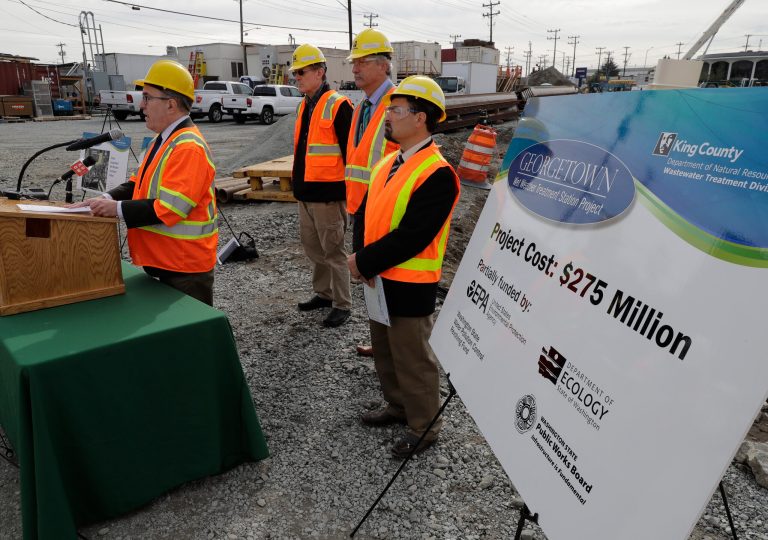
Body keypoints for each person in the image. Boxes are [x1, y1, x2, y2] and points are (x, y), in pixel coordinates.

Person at [347, 76, 460, 458]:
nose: (388, 117)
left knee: (413, 359)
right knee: (385, 350)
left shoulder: (438, 174)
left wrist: (362, 260)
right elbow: (364, 214)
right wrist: (362, 260)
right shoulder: (386, 164)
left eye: (396, 110)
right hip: (378, 277)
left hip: (410, 285)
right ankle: (398, 407)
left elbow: (413, 235)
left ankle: (424, 427)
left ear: (421, 118)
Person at [69, 59, 218, 305]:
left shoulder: (188, 147)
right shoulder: (164, 140)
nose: (142, 105)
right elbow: (136, 184)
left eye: (148, 97)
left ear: (171, 104)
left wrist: (115, 210)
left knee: (189, 338)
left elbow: (171, 208)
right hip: (166, 261)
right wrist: (105, 198)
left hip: (184, 266)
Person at [345, 28, 400, 356]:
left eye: (362, 62)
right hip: (360, 206)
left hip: (383, 208)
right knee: (369, 277)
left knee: (386, 276)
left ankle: (393, 344)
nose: (354, 69)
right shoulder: (362, 107)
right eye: (354, 62)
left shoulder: (396, 106)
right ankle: (381, 342)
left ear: (383, 65)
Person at [291, 44, 354, 328]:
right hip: (306, 193)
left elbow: (351, 155)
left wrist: (350, 197)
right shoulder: (305, 104)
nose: (297, 77)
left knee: (334, 251)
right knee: (314, 249)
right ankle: (324, 294)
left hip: (329, 196)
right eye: (295, 73)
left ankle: (342, 304)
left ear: (320, 71)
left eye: (301, 72)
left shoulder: (338, 105)